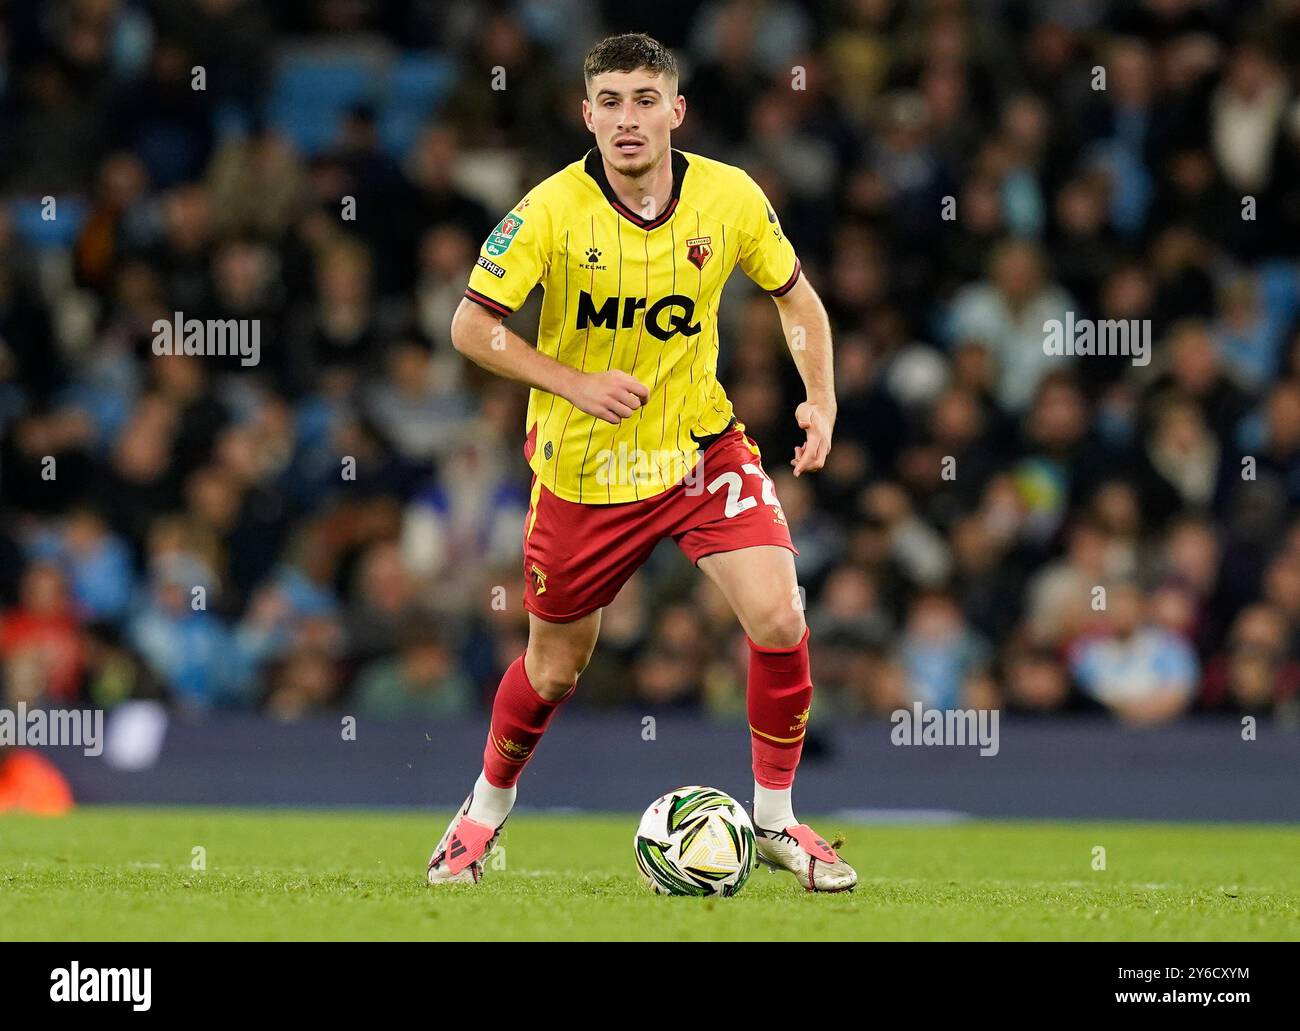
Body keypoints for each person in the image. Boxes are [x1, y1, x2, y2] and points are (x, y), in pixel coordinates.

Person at [427, 33, 853, 891]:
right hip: (585, 474)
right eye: (611, 102)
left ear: (675, 111)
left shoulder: (729, 196)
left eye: (645, 99)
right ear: (587, 116)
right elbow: (470, 327)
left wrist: (820, 394)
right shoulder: (548, 211)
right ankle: (480, 814)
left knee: (778, 617)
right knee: (555, 668)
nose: (628, 118)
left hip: (701, 447)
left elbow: (796, 297)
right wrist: (571, 382)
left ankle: (775, 821)